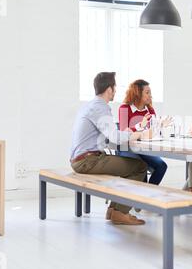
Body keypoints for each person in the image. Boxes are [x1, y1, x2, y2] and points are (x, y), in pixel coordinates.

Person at [70, 72, 153, 226]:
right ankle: (120, 212)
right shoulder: (100, 108)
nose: (115, 91)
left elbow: (109, 136)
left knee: (127, 165)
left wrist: (131, 133)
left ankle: (113, 210)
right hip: (88, 161)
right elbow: (114, 138)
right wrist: (139, 134)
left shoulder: (90, 105)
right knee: (140, 167)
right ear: (109, 89)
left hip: (82, 159)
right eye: (114, 87)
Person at [118, 79, 170, 185]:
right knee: (141, 166)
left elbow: (153, 133)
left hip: (144, 149)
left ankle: (149, 193)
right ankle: (141, 196)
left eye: (150, 93)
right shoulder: (124, 108)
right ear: (137, 93)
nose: (150, 96)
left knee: (161, 166)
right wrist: (140, 126)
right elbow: (124, 134)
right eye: (147, 92)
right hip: (127, 148)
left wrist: (161, 127)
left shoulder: (150, 110)